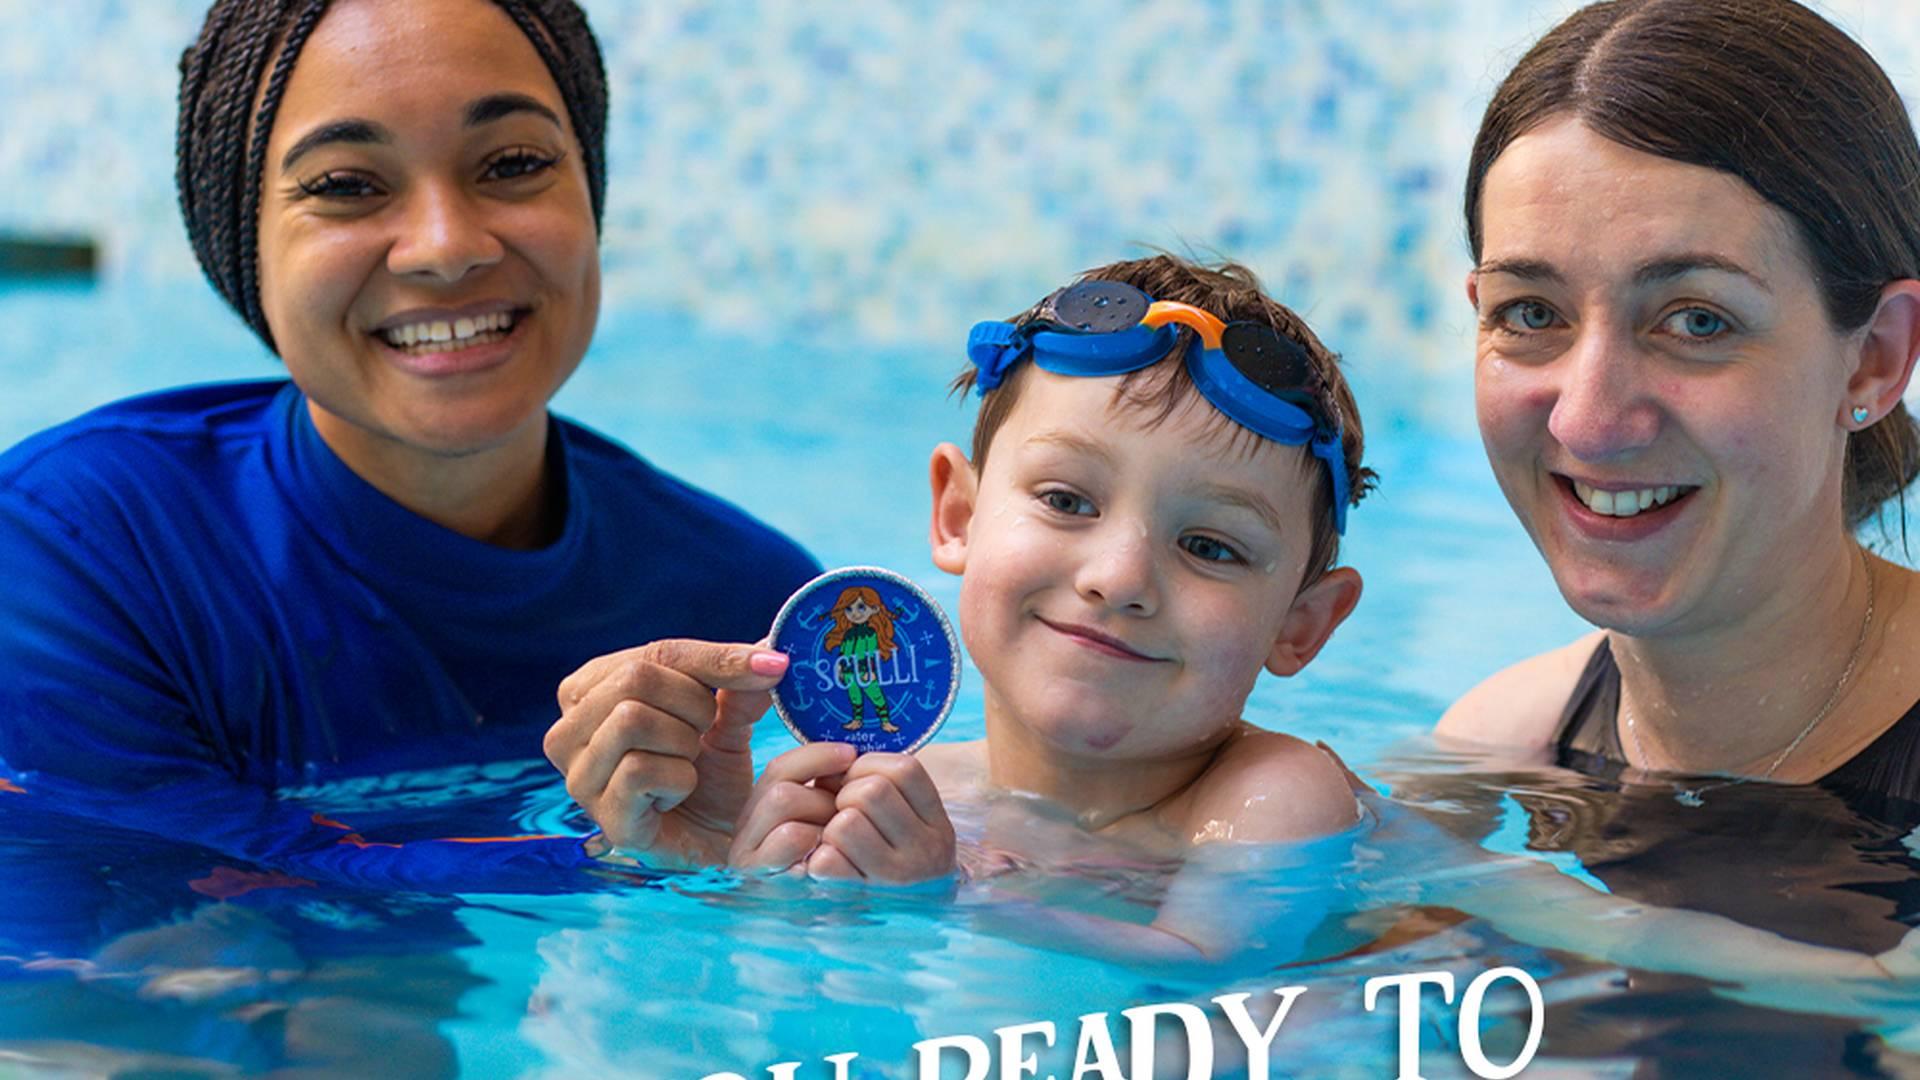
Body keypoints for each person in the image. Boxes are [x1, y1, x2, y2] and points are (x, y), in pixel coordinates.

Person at [0, 0, 817, 888]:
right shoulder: (81, 553)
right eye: (347, 185)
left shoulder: (751, 612)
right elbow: (127, 958)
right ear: (242, 248)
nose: (446, 247)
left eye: (513, 164)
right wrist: (626, 863)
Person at [730, 254, 1375, 960]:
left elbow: (1197, 972)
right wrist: (758, 873)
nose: (1118, 577)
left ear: (1301, 625)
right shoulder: (913, 793)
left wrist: (941, 898)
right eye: (1067, 501)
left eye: (1210, 547)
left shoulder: (1272, 795)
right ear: (959, 516)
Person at [1441, 0, 1920, 807]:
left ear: (1873, 359)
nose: (1586, 421)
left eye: (1698, 321)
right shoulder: (1501, 750)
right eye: (1531, 313)